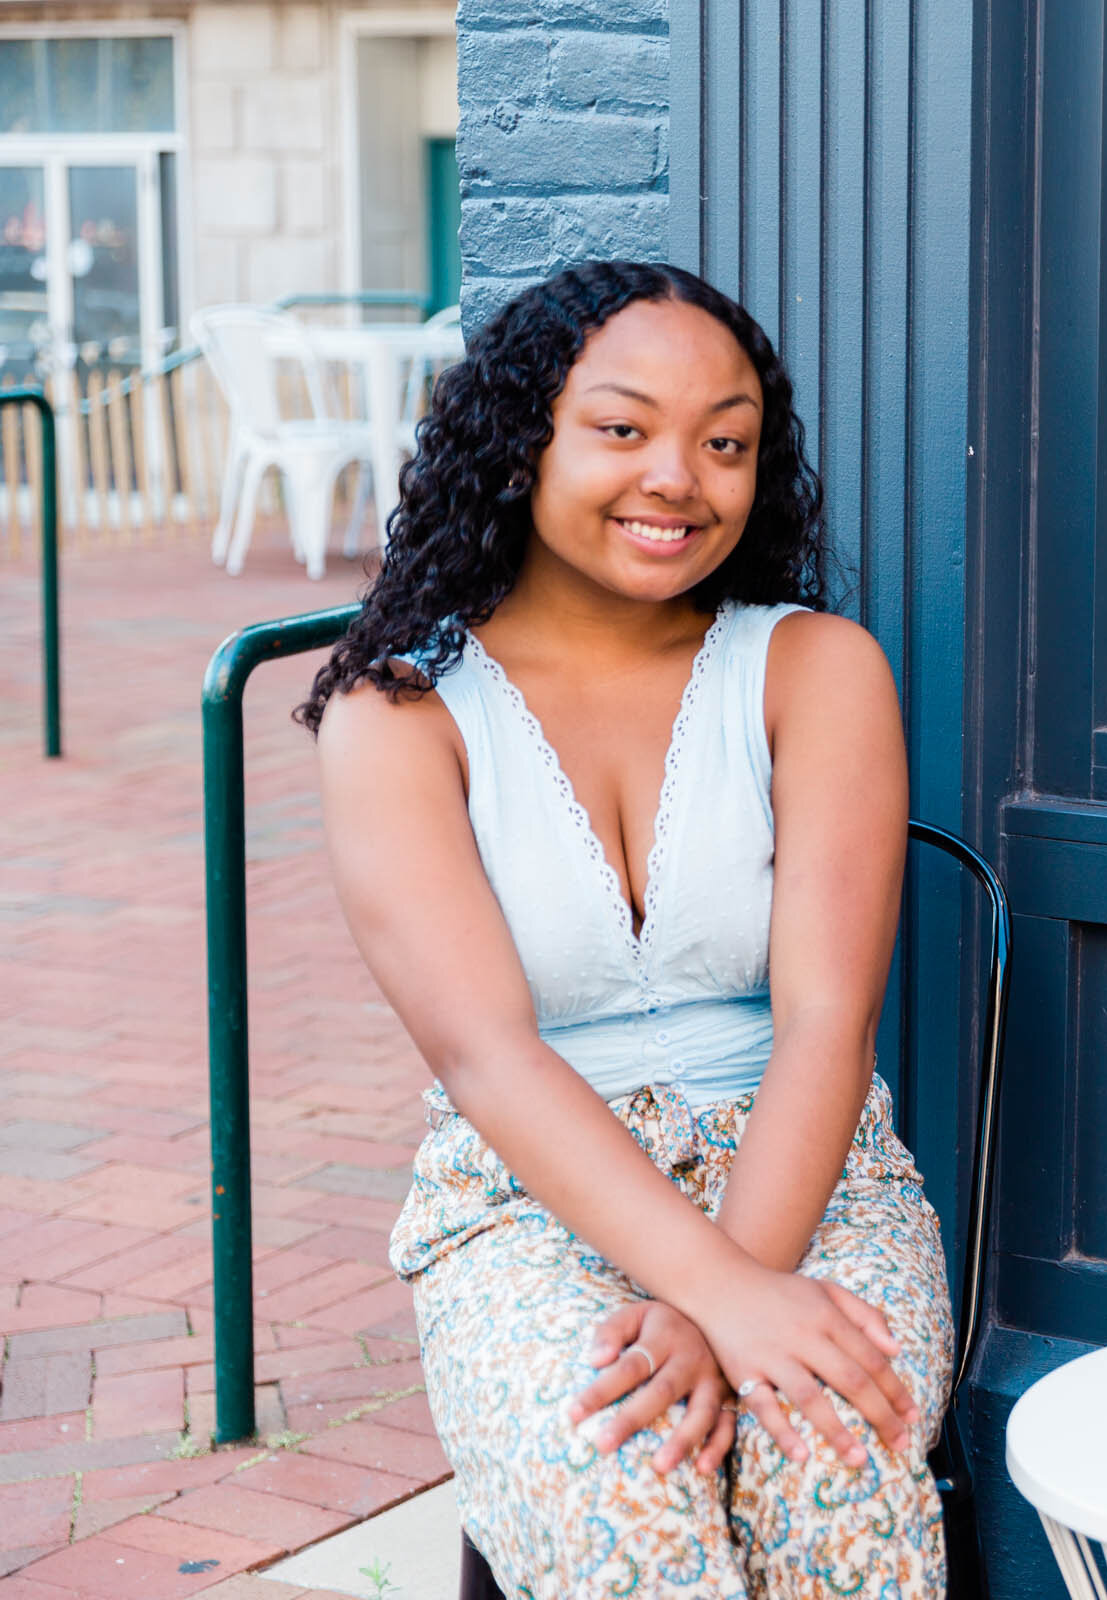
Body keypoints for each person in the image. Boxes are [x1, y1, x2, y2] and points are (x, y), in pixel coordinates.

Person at [301, 260, 951, 1600]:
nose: (679, 477)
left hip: (808, 1177)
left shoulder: (815, 671)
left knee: (838, 1463)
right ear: (520, 435)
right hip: (529, 1202)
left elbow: (828, 1025)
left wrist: (735, 1295)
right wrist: (713, 1292)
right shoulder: (400, 716)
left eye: (725, 443)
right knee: (629, 1497)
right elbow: (487, 1058)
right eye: (623, 428)